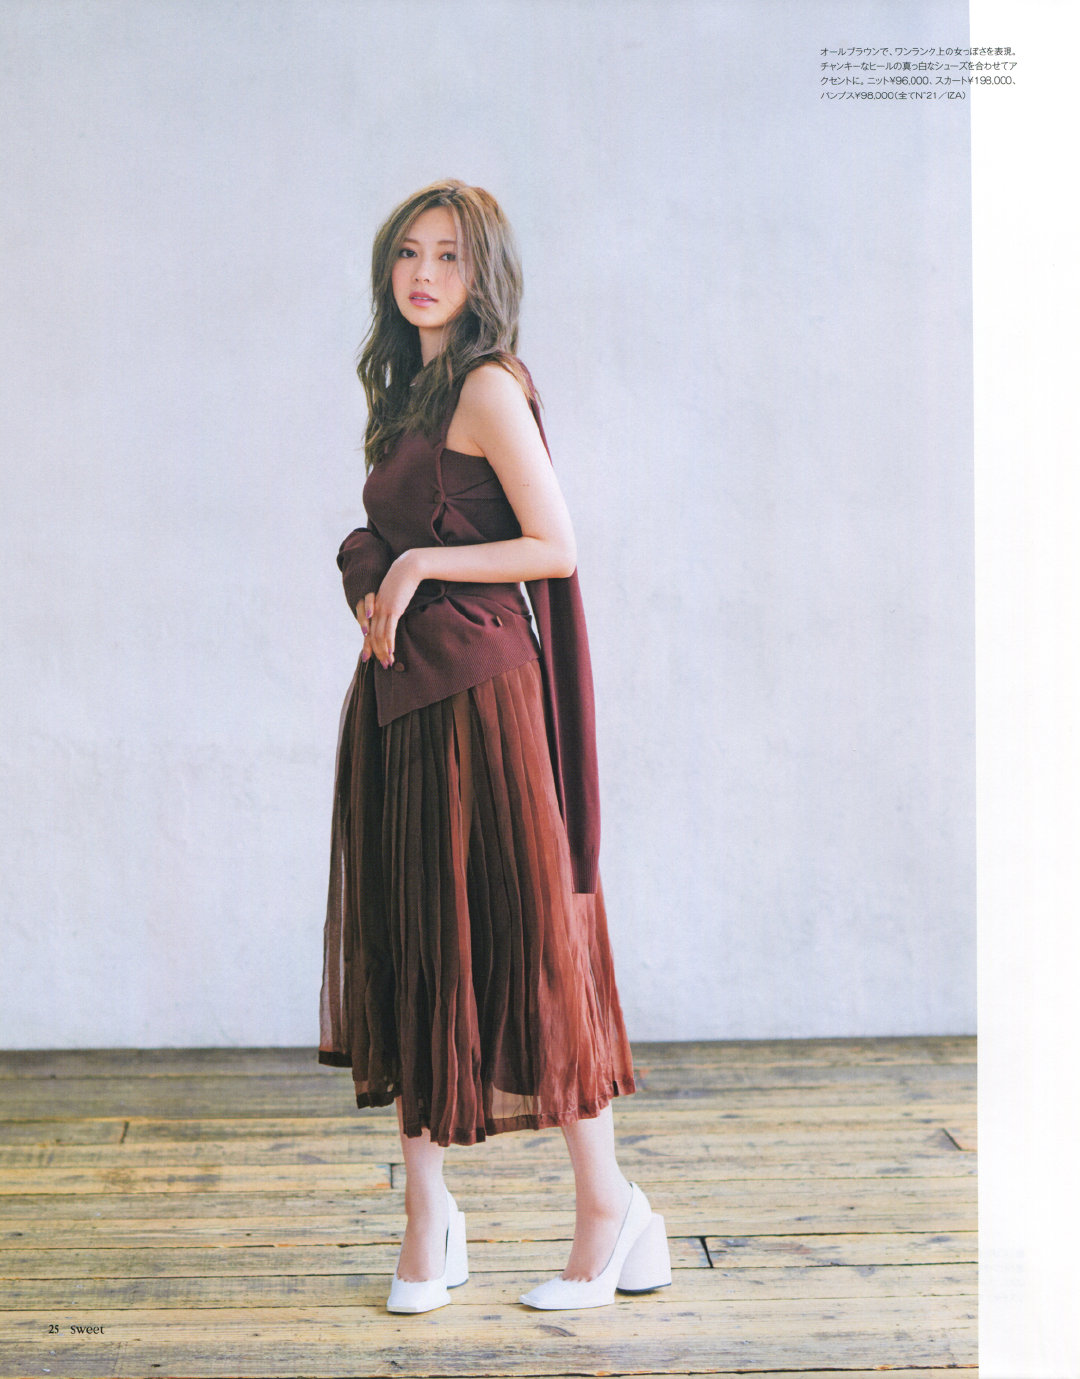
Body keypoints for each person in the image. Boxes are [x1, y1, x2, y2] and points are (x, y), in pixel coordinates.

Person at [318, 179, 671, 1313]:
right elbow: (392, 527)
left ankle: (611, 1208)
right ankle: (430, 1215)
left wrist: (418, 564)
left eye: (450, 257)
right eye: (409, 253)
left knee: (527, 943)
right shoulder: (406, 391)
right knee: (413, 941)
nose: (424, 274)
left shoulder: (484, 385)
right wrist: (372, 567)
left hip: (483, 703)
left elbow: (553, 543)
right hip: (404, 703)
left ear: (484, 278)